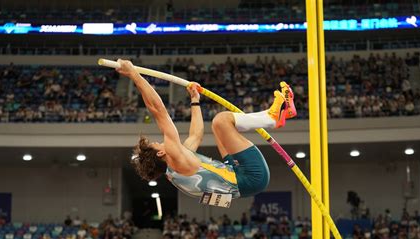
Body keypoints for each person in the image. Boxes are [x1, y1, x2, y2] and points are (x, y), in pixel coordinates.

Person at [115, 59, 296, 203]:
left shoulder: (176, 168)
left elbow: (196, 135)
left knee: (217, 126)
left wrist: (195, 100)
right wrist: (134, 75)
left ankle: (276, 114)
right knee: (222, 120)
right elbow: (157, 111)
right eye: (157, 144)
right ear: (161, 152)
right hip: (251, 177)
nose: (160, 141)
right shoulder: (176, 156)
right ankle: (273, 118)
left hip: (237, 177)